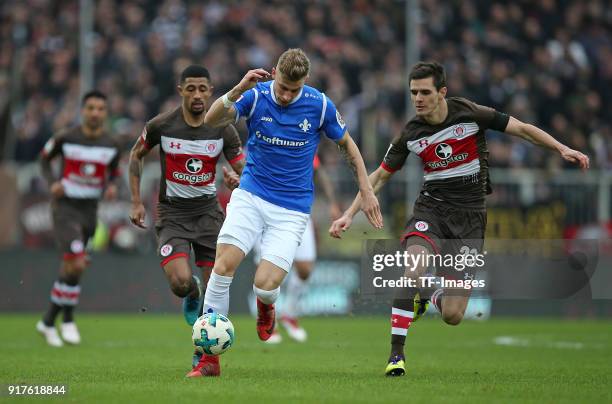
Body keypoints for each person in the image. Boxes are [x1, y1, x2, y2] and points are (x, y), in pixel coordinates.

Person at [329, 61, 590, 376]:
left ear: (442, 92)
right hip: (431, 211)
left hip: (470, 219)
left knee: (454, 315)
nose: (418, 99)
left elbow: (521, 129)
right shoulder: (411, 133)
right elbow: (380, 178)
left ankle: (430, 295)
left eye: (425, 92)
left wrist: (560, 148)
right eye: (413, 93)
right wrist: (348, 213)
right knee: (412, 270)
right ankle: (396, 355)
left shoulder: (469, 113)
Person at [188, 48, 382, 377]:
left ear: (304, 82)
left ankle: (267, 307)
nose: (287, 94)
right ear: (275, 71)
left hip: (291, 210)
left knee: (265, 285)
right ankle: (208, 360)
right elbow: (211, 120)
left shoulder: (320, 105)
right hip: (250, 196)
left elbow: (349, 146)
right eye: (283, 86)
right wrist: (238, 88)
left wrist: (365, 190)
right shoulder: (256, 95)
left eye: (295, 89)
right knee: (223, 268)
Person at [128, 65, 245, 369]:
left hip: (208, 215)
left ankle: (203, 354)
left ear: (211, 91)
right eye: (190, 88)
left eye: (202, 89)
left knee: (214, 293)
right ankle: (190, 292)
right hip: (172, 216)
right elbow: (136, 155)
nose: (197, 95)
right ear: (180, 90)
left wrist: (237, 179)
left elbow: (244, 168)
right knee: (180, 282)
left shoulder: (223, 127)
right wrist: (136, 201)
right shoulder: (161, 126)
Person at [36, 90, 121, 347]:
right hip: (65, 208)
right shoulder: (66, 137)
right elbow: (44, 159)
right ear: (82, 111)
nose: (95, 113)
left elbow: (114, 172)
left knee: (74, 266)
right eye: (91, 108)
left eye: (100, 109)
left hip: (90, 211)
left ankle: (49, 321)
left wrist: (112, 185)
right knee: (76, 263)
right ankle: (68, 319)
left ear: (105, 113)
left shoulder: (111, 144)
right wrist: (52, 182)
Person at [254, 155, 342, 343]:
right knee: (266, 270)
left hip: (298, 212)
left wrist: (332, 202)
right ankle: (270, 322)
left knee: (305, 268)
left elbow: (319, 172)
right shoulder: (264, 137)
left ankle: (290, 314)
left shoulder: (302, 140)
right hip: (267, 212)